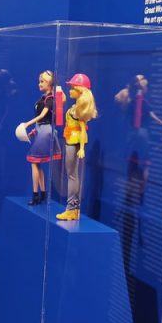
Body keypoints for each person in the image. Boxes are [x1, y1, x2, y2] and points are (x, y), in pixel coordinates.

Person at [56, 73, 98, 221]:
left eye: (73, 88)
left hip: (73, 143)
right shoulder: (75, 107)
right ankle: (73, 208)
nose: (70, 91)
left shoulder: (80, 110)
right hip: (70, 140)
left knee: (72, 175)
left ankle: (72, 208)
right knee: (72, 175)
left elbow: (82, 129)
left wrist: (81, 148)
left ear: (80, 91)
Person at [22, 70, 62, 205]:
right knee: (37, 163)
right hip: (42, 130)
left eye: (42, 81)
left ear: (50, 84)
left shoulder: (50, 99)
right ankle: (42, 193)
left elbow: (42, 116)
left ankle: (35, 195)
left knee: (34, 162)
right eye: (40, 81)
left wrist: (28, 123)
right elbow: (41, 120)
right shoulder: (43, 99)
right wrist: (34, 130)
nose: (40, 84)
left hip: (45, 131)